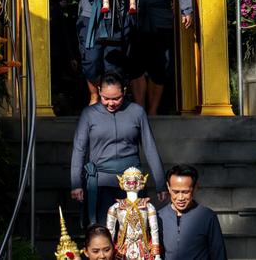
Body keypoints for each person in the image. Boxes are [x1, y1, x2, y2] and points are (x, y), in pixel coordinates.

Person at [71, 73, 166, 228]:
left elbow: (149, 147)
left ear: (124, 91)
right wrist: (76, 183)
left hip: (132, 182)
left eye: (116, 98)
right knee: (103, 231)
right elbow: (79, 148)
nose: (111, 103)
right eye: (106, 98)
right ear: (99, 91)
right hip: (100, 182)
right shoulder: (89, 114)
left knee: (134, 232)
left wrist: (161, 183)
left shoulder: (137, 112)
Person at [157, 164, 227, 260]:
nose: (180, 198)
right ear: (168, 187)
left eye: (185, 192)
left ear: (195, 187)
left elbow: (219, 254)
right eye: (175, 192)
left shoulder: (207, 216)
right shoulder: (159, 217)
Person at [106, 167, 162, 260]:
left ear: (142, 182)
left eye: (135, 179)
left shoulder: (148, 207)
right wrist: (109, 252)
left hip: (144, 249)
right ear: (122, 182)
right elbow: (109, 232)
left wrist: (157, 254)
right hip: (122, 249)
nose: (132, 182)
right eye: (128, 180)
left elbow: (154, 230)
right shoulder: (115, 207)